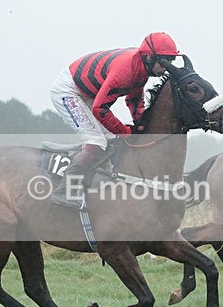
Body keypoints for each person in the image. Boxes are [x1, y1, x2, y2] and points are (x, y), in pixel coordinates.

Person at [49, 32, 180, 207]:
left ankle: (93, 182)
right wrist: (125, 132)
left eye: (170, 61)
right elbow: (99, 108)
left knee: (110, 139)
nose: (166, 67)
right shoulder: (126, 71)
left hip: (88, 92)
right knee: (96, 141)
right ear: (149, 57)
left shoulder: (141, 68)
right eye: (163, 61)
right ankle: (64, 190)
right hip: (68, 91)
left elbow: (133, 99)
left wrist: (141, 123)